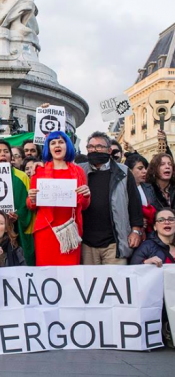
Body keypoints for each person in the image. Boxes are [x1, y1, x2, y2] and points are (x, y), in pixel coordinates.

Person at [27, 131, 90, 266]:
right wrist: (32, 198)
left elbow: (84, 206)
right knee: (46, 273)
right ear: (48, 148)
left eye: (61, 142)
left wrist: (86, 195)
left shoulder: (78, 171)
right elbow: (31, 206)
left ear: (67, 146)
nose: (57, 145)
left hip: (71, 231)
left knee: (70, 275)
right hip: (46, 231)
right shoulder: (39, 171)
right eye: (53, 143)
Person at [79, 131, 143, 265]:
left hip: (115, 243)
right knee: (90, 284)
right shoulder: (78, 171)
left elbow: (134, 204)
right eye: (90, 147)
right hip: (86, 243)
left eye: (98, 147)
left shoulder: (124, 172)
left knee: (116, 284)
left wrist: (136, 230)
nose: (94, 150)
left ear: (109, 150)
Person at [130, 208, 175, 348]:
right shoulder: (148, 246)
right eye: (161, 220)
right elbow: (131, 271)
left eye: (171, 219)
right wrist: (145, 263)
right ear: (155, 226)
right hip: (158, 299)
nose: (166, 222)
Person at [124, 154, 156, 236]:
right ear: (129, 170)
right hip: (130, 233)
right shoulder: (123, 190)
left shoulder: (149, 188)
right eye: (140, 168)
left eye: (145, 168)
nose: (145, 171)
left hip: (150, 232)